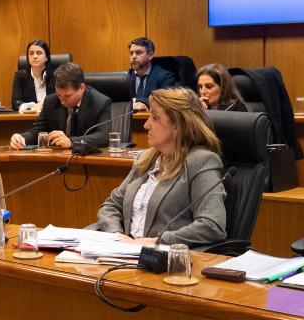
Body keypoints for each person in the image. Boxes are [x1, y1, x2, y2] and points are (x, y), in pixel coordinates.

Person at [96, 87, 226, 249]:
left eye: (155, 118)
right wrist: (116, 236)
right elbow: (111, 206)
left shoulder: (202, 161)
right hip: (124, 253)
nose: (146, 125)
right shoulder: (145, 159)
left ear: (177, 127)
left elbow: (212, 224)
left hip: (164, 260)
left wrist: (157, 241)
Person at [9, 62, 111, 149]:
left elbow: (103, 137)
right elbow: (38, 132)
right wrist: (21, 137)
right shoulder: (51, 101)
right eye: (59, 95)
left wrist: (71, 142)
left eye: (67, 96)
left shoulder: (100, 102)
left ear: (82, 88)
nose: (62, 101)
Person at [124, 37, 177, 112]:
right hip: (129, 121)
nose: (133, 57)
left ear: (150, 55)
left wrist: (133, 101)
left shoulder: (164, 76)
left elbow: (166, 102)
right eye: (131, 53)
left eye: (138, 53)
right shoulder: (126, 77)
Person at [12, 39, 55, 112]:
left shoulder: (55, 75)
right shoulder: (20, 76)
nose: (35, 56)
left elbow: (60, 100)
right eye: (31, 53)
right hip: (29, 118)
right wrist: (34, 106)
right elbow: (15, 103)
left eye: (39, 53)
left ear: (46, 57)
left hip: (51, 117)